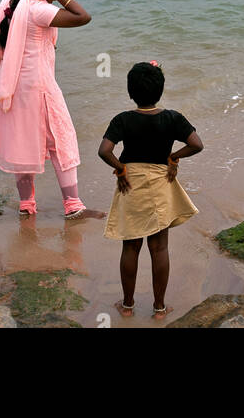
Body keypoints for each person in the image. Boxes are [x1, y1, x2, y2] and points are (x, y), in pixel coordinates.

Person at [0, 0, 91, 218]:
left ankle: (26, 205)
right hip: (39, 85)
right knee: (61, 140)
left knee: (22, 141)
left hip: (12, 85)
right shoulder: (38, 10)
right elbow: (83, 17)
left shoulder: (11, 0)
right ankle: (73, 204)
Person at [99, 61, 203, 318]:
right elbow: (197, 144)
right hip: (159, 185)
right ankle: (159, 308)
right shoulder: (172, 118)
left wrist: (120, 168)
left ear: (130, 92)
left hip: (130, 186)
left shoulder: (122, 119)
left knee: (130, 247)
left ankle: (127, 306)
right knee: (159, 248)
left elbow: (104, 151)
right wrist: (174, 157)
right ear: (160, 90)